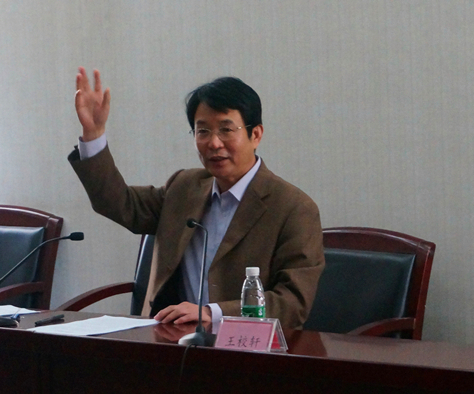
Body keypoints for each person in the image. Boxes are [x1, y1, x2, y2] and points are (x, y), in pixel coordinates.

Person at [68, 67, 324, 330]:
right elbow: (119, 203)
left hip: (247, 346)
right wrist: (94, 135)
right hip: (172, 337)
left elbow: (293, 302)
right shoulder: (185, 187)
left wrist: (212, 313)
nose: (214, 143)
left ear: (255, 134)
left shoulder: (294, 208)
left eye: (226, 130)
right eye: (203, 131)